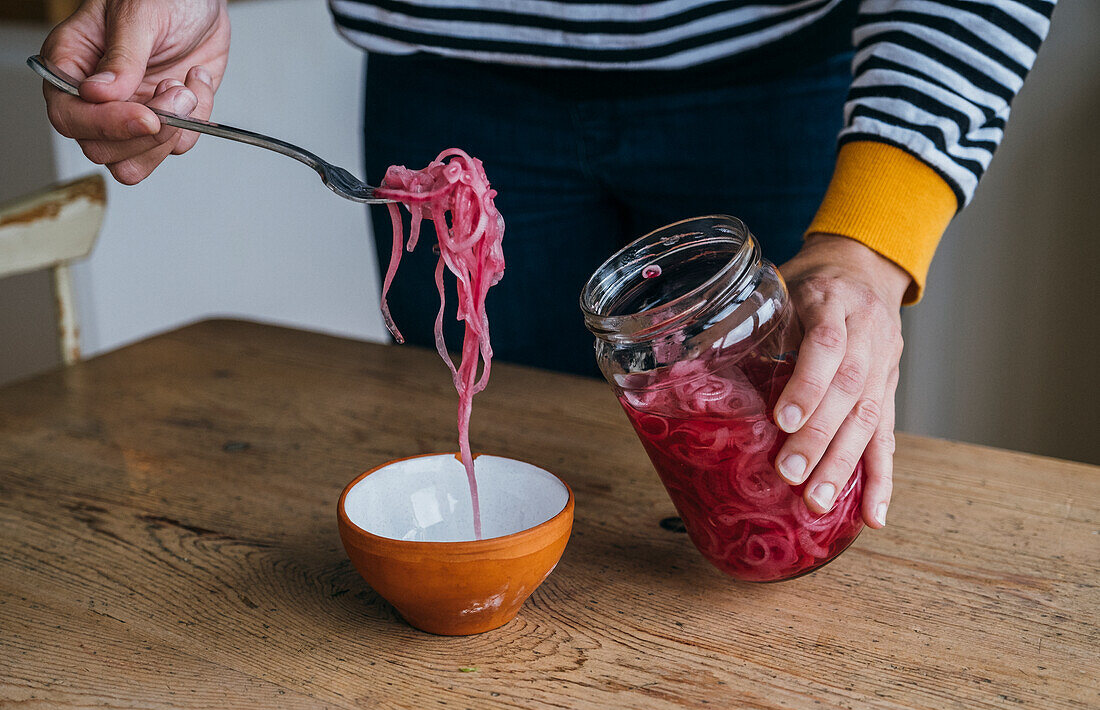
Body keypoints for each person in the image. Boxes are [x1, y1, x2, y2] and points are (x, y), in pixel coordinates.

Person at [38, 0, 1055, 532]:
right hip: (447, 80)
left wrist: (869, 246)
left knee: (779, 488)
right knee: (502, 493)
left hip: (770, 81)